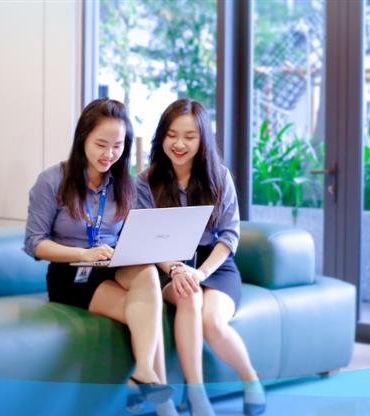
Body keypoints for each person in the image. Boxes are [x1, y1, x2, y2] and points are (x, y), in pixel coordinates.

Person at [24, 98, 175, 415]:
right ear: (83, 139)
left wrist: (174, 267)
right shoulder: (51, 180)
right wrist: (85, 253)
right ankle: (164, 406)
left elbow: (141, 237)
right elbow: (35, 244)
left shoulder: (126, 184)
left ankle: (143, 373)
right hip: (70, 271)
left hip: (112, 263)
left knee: (148, 273)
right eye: (101, 144)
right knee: (149, 313)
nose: (109, 154)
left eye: (117, 146)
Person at [136, 99, 266, 416]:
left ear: (202, 139)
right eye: (171, 135)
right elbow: (147, 238)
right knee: (188, 296)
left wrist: (201, 273)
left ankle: (251, 380)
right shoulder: (146, 180)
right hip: (167, 265)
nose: (179, 144)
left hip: (214, 265)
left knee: (213, 323)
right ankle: (198, 396)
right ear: (161, 137)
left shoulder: (219, 177)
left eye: (189, 136)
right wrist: (176, 269)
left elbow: (229, 236)